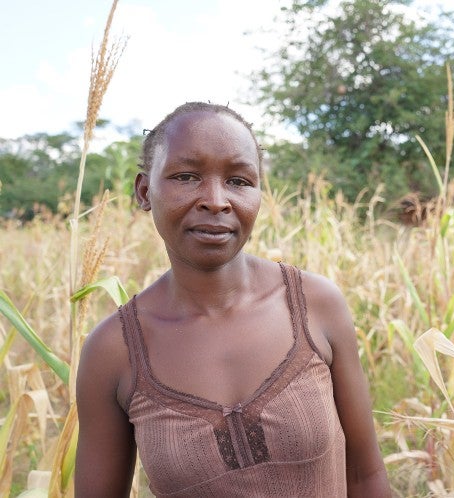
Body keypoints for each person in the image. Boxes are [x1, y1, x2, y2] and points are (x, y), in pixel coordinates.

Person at [75, 102, 391, 497]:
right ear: (144, 191)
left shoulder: (315, 305)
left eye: (239, 181)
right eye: (186, 176)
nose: (216, 200)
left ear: (259, 192)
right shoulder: (113, 351)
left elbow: (365, 476)